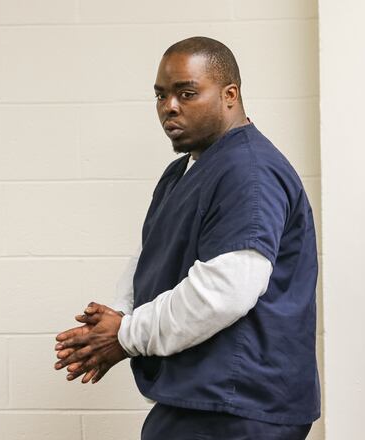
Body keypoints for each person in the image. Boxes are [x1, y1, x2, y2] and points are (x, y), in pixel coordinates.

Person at [53, 36, 320, 439]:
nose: (169, 106)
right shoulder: (181, 172)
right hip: (201, 401)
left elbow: (226, 291)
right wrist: (118, 318)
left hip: (240, 407)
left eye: (187, 93)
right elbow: (151, 257)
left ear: (230, 95)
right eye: (161, 95)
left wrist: (125, 335)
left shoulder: (249, 171)